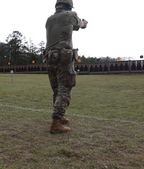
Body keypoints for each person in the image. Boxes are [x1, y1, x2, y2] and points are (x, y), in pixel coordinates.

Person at [44, 0, 88, 134]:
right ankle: (56, 123)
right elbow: (80, 25)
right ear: (69, 5)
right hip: (63, 57)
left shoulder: (49, 19)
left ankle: (60, 116)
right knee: (65, 89)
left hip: (49, 57)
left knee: (57, 90)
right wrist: (84, 22)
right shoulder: (70, 15)